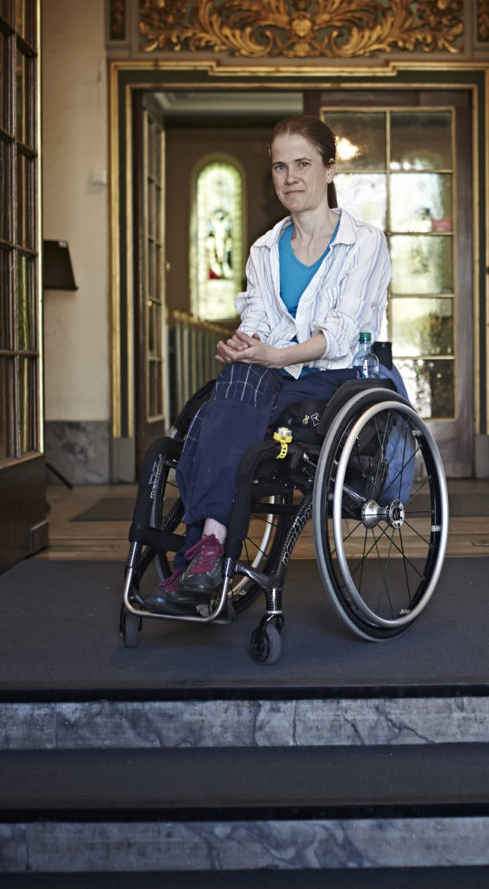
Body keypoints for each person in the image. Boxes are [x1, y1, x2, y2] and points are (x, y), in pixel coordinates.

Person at [145, 115, 398, 614]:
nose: (290, 178)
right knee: (233, 383)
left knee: (235, 399)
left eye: (303, 164)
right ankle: (212, 549)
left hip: (339, 378)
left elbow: (342, 333)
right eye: (280, 167)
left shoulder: (364, 242)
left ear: (329, 168)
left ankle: (205, 551)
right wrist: (244, 345)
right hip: (271, 375)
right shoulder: (265, 249)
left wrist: (276, 356)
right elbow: (257, 320)